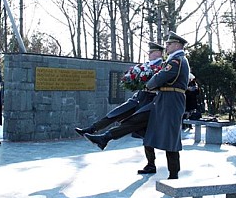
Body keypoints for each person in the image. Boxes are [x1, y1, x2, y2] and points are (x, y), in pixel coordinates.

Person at [76, 42, 164, 174]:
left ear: (159, 53)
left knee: (144, 132)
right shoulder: (147, 65)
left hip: (151, 101)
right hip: (139, 97)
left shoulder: (162, 66)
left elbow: (161, 83)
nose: (149, 54)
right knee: (116, 112)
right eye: (149, 52)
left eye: (152, 52)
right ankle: (92, 129)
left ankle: (105, 139)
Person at [143, 31, 190, 179]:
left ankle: (174, 173)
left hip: (172, 99)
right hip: (166, 98)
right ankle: (152, 165)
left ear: (177, 45)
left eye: (169, 44)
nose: (167, 46)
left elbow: (162, 76)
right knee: (151, 130)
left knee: (171, 137)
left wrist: (148, 84)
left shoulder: (177, 60)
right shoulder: (175, 59)